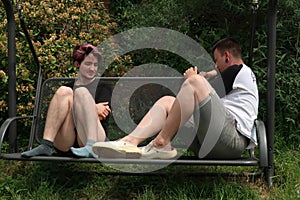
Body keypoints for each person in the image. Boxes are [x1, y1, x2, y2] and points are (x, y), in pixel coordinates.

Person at [92, 38, 259, 159]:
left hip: (231, 140)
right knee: (167, 102)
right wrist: (208, 74)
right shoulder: (239, 75)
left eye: (217, 61)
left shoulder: (236, 70)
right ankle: (129, 142)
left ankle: (160, 143)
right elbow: (215, 81)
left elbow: (205, 90)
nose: (216, 66)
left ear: (227, 57)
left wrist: (194, 77)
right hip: (211, 143)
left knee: (194, 82)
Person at [21, 43, 112, 158]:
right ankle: (46, 145)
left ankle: (90, 146)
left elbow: (102, 115)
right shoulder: (67, 88)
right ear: (77, 64)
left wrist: (74, 105)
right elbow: (55, 118)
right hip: (66, 141)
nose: (92, 68)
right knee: (64, 91)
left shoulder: (103, 87)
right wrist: (94, 107)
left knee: (81, 92)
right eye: (88, 64)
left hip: (93, 139)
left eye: (95, 65)